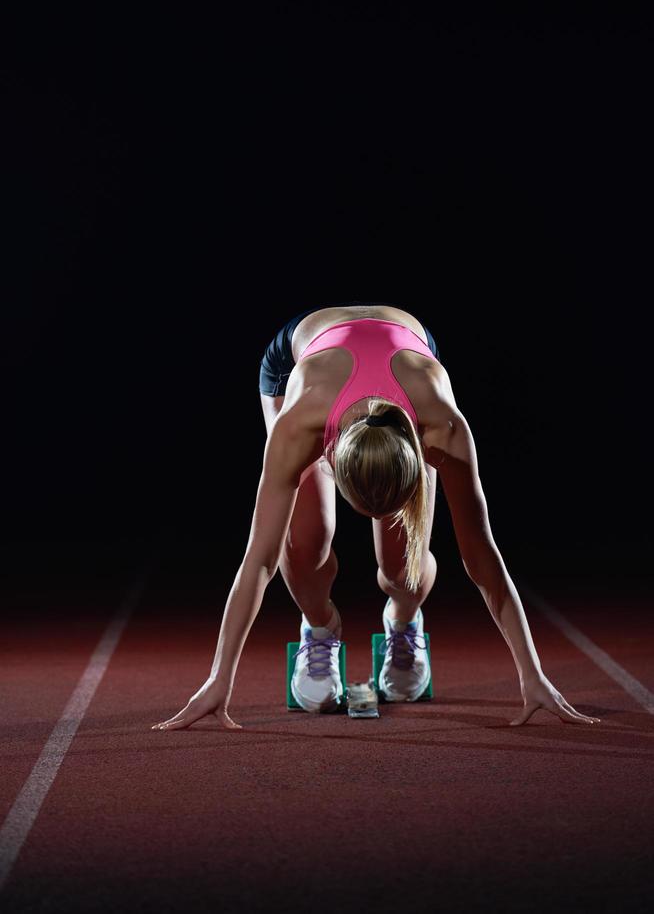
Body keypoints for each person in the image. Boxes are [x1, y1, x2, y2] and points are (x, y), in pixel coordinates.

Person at [152, 302, 600, 731]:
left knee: (401, 564)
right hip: (301, 361)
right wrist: (219, 678)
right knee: (304, 540)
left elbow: (482, 556)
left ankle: (404, 621)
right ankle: (319, 629)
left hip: (405, 363)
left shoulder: (441, 424)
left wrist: (532, 673)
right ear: (329, 454)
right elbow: (259, 560)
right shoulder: (300, 422)